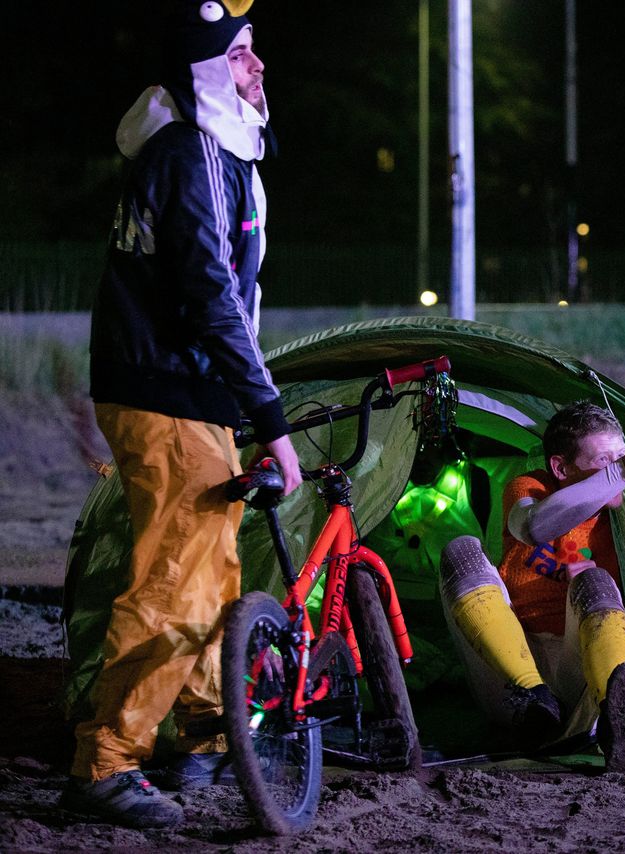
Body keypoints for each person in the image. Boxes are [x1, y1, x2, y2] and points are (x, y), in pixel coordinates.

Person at [63, 0, 303, 828]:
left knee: (212, 573)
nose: (258, 67)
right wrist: (270, 417)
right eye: (241, 54)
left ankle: (203, 737)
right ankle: (108, 763)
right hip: (165, 389)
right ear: (208, 71)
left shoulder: (212, 151)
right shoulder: (194, 151)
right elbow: (214, 296)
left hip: (183, 392)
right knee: (175, 585)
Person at [438, 402, 625, 772]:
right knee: (461, 551)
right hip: (510, 683)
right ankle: (533, 695)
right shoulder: (530, 487)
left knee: (594, 581)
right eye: (605, 461)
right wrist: (624, 470)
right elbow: (533, 526)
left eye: (623, 457)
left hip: (582, 680)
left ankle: (617, 721)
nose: (620, 471)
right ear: (561, 467)